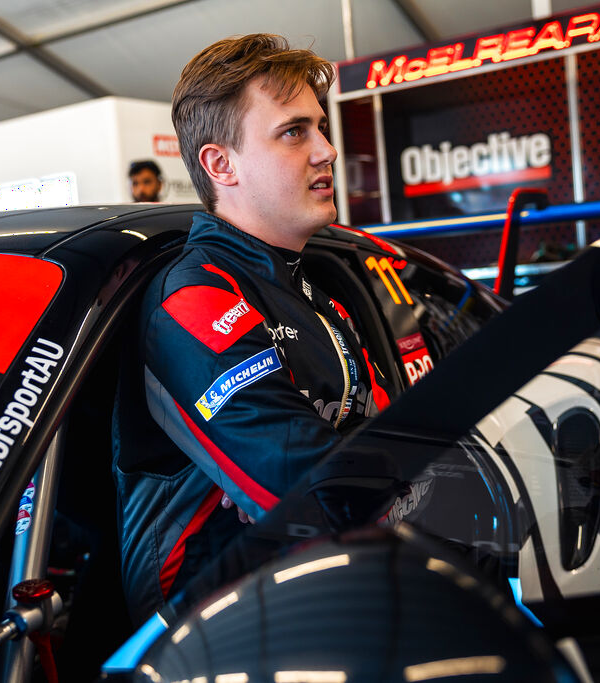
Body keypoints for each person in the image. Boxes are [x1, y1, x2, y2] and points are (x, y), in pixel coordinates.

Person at [113, 34, 389, 624]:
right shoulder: (194, 298)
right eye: (295, 132)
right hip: (207, 629)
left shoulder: (315, 289)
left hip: (325, 583)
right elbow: (310, 483)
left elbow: (383, 428)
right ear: (221, 164)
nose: (328, 150)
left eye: (320, 128)